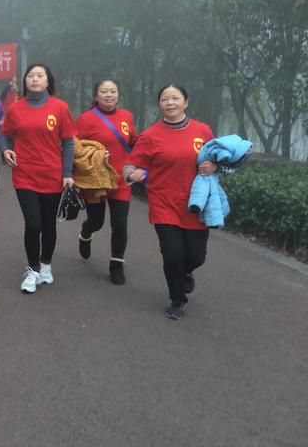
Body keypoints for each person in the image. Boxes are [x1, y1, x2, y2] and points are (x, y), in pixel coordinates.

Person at [124, 85, 215, 320]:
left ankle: (186, 271)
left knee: (196, 256)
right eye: (165, 99)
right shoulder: (150, 135)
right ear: (160, 104)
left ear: (186, 102)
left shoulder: (202, 130)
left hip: (195, 203)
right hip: (163, 202)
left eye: (175, 98)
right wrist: (132, 174)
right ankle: (177, 299)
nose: (170, 102)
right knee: (173, 254)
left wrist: (215, 166)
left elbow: (220, 159)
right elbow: (130, 164)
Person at [0, 64, 75, 294]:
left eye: (40, 75)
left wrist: (67, 174)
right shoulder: (15, 108)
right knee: (33, 223)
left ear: (47, 81)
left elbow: (68, 141)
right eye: (30, 76)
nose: (35, 79)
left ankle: (46, 264)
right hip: (24, 174)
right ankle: (33, 269)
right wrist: (5, 150)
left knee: (48, 223)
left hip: (52, 175)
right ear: (25, 81)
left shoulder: (60, 107)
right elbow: (4, 134)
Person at [74, 79, 137, 285]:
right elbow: (74, 147)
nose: (109, 95)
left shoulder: (127, 116)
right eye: (104, 91)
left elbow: (133, 141)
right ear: (96, 96)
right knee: (96, 222)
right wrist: (95, 154)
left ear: (118, 94)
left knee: (120, 223)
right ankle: (86, 233)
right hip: (95, 182)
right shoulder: (85, 119)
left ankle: (116, 265)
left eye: (113, 91)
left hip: (120, 180)